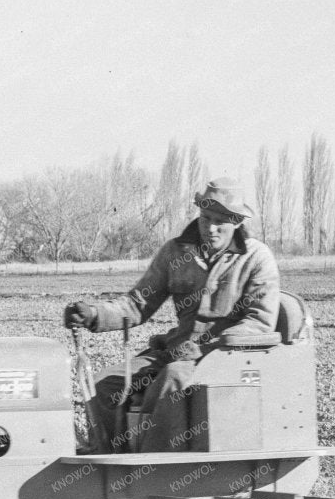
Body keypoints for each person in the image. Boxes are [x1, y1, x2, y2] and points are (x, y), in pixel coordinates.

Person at [64, 180, 281, 451]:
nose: (210, 228)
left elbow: (260, 322)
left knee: (172, 378)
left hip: (225, 358)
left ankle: (154, 470)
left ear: (237, 221)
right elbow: (137, 304)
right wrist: (94, 314)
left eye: (220, 222)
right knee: (104, 385)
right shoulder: (175, 252)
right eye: (205, 218)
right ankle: (109, 463)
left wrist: (208, 348)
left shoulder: (257, 258)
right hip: (175, 351)